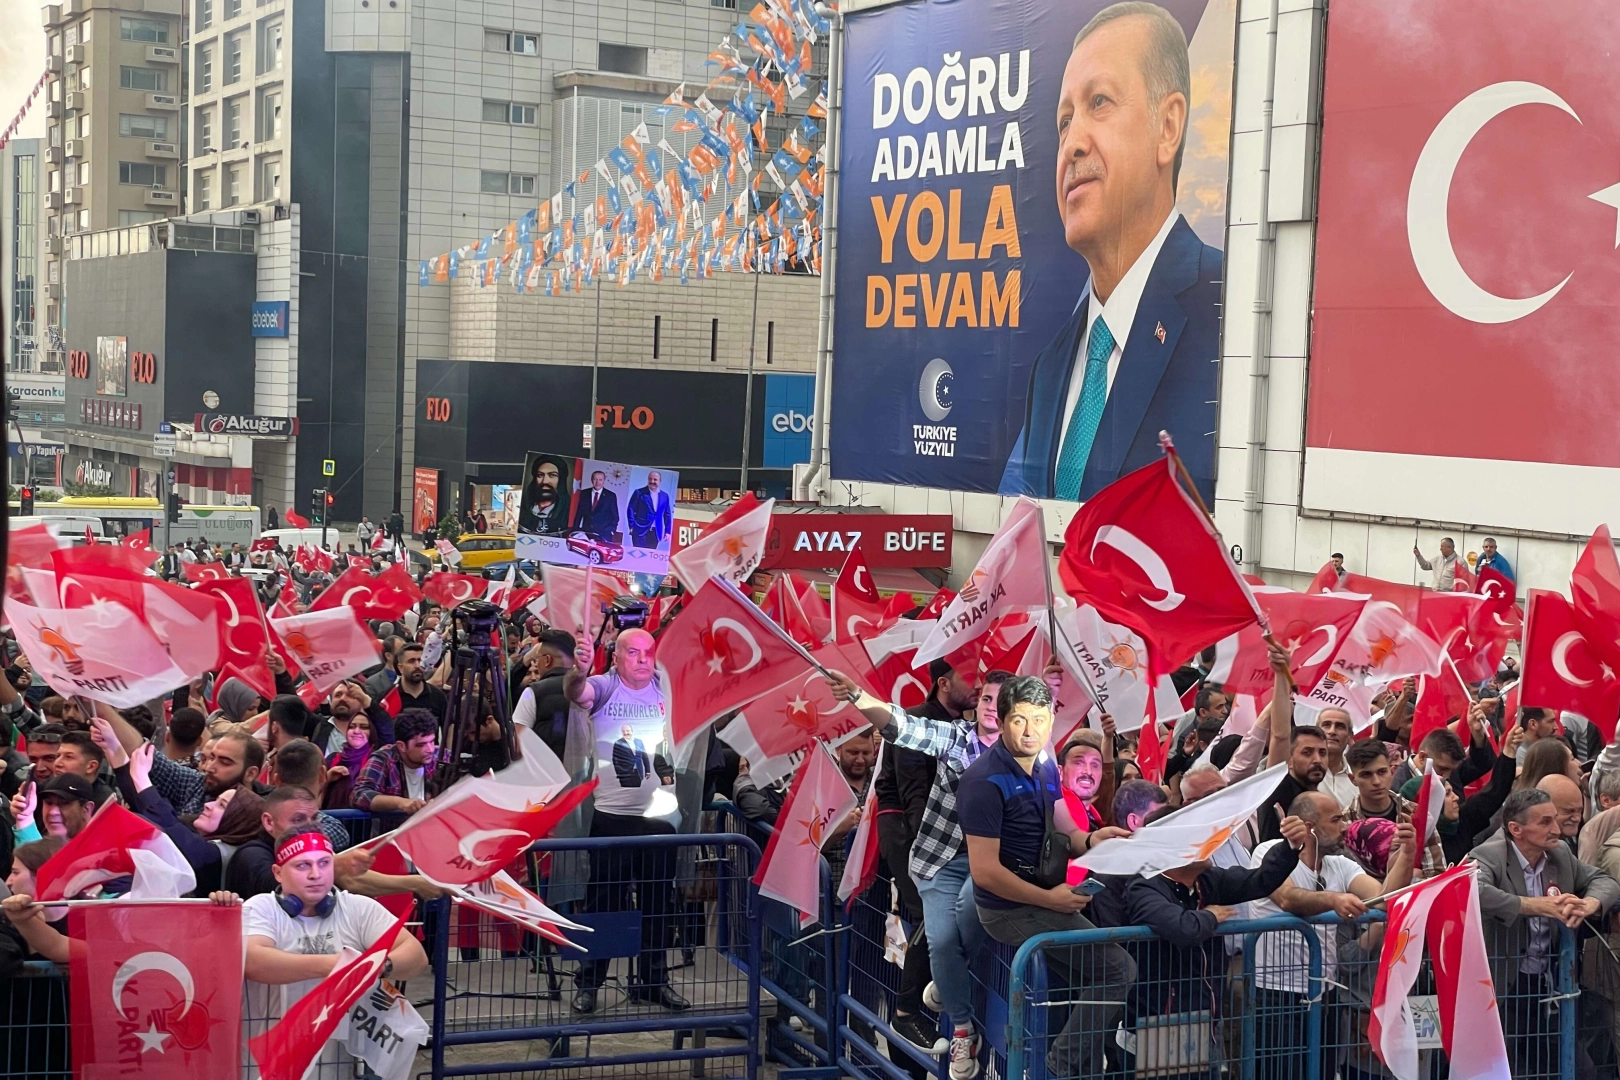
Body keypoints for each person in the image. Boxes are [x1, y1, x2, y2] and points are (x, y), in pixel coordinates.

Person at [999, 1, 1219, 501]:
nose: (1072, 142)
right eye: (1063, 122)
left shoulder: (1229, 315)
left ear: (1168, 127)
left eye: (1099, 102)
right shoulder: (1051, 366)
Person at [955, 675, 1136, 1078]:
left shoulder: (1045, 766)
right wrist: (1051, 899)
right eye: (1020, 720)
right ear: (1001, 722)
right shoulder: (982, 782)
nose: (1031, 729)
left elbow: (1066, 832)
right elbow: (985, 873)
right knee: (1119, 969)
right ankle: (1058, 1068)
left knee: (1093, 981)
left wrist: (1093, 838)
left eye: (1039, 719)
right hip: (1009, 908)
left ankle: (1074, 1070)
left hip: (1042, 895)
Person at [1124, 811, 1312, 1076]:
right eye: (1199, 835)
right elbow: (1182, 928)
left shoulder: (1207, 881)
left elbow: (1259, 880)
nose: (1211, 841)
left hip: (1206, 1019)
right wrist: (1211, 915)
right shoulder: (1144, 887)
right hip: (1160, 1024)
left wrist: (1290, 846)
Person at [563, 629, 688, 1012]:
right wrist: (577, 672)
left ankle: (653, 981)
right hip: (613, 818)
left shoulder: (665, 688)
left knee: (657, 904)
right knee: (604, 904)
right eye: (632, 652)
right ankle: (589, 982)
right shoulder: (603, 686)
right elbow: (576, 693)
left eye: (648, 652)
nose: (642, 660)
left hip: (659, 818)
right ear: (615, 656)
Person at [229, 827, 429, 1057]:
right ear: (278, 873)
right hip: (266, 1057)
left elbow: (416, 956)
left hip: (336, 1059)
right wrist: (341, 965)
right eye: (302, 865)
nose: (316, 874)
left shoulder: (357, 908)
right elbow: (254, 961)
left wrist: (378, 966)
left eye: (324, 863)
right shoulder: (262, 907)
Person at [1474, 788, 1620, 1076]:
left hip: (1551, 982)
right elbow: (1473, 891)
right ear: (1516, 829)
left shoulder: (1560, 852)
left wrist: (1588, 903)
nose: (1556, 829)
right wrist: (1535, 905)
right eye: (1544, 822)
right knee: (1508, 1068)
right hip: (1505, 985)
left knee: (1579, 1069)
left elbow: (1603, 880)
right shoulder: (1488, 854)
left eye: (1555, 819)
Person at [1249, 791, 1382, 1080]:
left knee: (1323, 1072)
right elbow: (1287, 898)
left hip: (1325, 993)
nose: (1345, 826)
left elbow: (1382, 899)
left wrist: (1405, 855)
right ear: (1310, 827)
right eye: (1336, 820)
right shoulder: (1268, 853)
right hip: (1275, 994)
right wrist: (1333, 900)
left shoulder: (1340, 863)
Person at [1343, 739, 1448, 878]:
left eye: (1381, 772)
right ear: (1352, 779)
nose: (1376, 781)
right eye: (1366, 775)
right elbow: (1346, 879)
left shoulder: (1415, 812)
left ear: (1392, 771)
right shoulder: (1344, 823)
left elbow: (1437, 874)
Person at [351, 709, 440, 814]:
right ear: (401, 746)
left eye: (432, 741)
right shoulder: (384, 758)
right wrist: (400, 803)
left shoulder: (441, 756)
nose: (430, 749)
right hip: (394, 829)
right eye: (421, 745)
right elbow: (359, 795)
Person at [511, 629, 576, 759]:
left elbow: (518, 746)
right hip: (584, 774)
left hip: (545, 774)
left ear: (547, 660)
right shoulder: (591, 688)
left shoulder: (533, 692)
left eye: (537, 658)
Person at [1257, 724, 1324, 845]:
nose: (1318, 760)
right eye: (1307, 752)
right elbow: (1279, 736)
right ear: (1290, 759)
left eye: (1323, 753)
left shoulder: (1317, 794)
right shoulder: (1277, 792)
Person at [1314, 707, 1356, 809]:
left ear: (1350, 736)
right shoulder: (1302, 771)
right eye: (1326, 725)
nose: (1332, 731)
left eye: (1340, 727)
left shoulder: (1358, 775)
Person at [518, 456, 571, 535]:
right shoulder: (522, 509)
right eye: (540, 475)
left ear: (561, 480)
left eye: (552, 475)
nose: (545, 481)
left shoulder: (569, 513)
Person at [395, 642, 448, 718]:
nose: (417, 665)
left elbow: (448, 727)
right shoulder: (390, 698)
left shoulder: (438, 697)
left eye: (420, 660)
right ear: (400, 668)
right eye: (411, 661)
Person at [627, 470, 673, 549]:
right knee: (638, 557)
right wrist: (631, 525)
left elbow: (667, 514)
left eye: (655, 479)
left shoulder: (665, 496)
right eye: (650, 479)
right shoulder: (639, 492)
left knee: (650, 558)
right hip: (640, 530)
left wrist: (667, 531)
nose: (652, 481)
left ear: (660, 481)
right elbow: (630, 508)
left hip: (656, 532)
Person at [570, 469, 620, 540]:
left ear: (604, 481)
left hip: (603, 535)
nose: (597, 482)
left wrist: (611, 530)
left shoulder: (611, 496)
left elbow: (615, 516)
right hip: (586, 533)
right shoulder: (584, 493)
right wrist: (575, 530)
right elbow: (579, 513)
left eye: (600, 480)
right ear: (591, 480)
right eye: (595, 479)